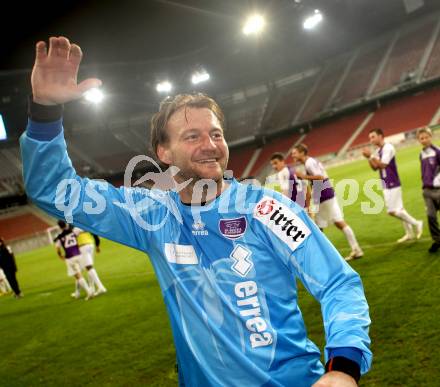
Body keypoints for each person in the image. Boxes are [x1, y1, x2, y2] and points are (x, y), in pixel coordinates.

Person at [20, 36, 372, 386]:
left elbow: (336, 282)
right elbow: (55, 191)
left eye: (216, 134)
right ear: (164, 153)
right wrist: (46, 112)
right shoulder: (150, 216)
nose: (210, 146)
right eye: (192, 136)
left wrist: (343, 366)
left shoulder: (266, 209)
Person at [290, 144, 364, 261]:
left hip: (323, 194)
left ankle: (322, 257)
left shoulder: (309, 163)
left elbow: (320, 177)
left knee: (318, 228)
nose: (292, 155)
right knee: (339, 222)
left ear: (302, 152)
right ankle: (356, 249)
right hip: (327, 192)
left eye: (294, 153)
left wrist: (303, 176)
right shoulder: (310, 162)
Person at [362, 128, 423, 243]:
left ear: (380, 136)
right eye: (370, 138)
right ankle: (409, 233)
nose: (371, 140)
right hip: (385, 182)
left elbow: (383, 165)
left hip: (392, 182)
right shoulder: (377, 151)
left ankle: (417, 223)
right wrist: (369, 158)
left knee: (392, 211)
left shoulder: (388, 148)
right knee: (399, 209)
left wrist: (371, 157)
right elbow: (375, 168)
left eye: (373, 137)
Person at [54, 220, 94, 300]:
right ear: (65, 224)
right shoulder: (74, 231)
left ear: (59, 227)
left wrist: (60, 255)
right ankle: (82, 291)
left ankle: (89, 292)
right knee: (88, 270)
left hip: (70, 258)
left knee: (78, 276)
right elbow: (83, 230)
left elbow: (57, 248)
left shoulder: (59, 236)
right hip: (79, 254)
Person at [416, 127, 440, 253]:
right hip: (427, 191)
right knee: (431, 217)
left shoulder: (437, 151)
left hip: (438, 190)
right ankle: (437, 240)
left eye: (426, 137)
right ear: (419, 140)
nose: (424, 140)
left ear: (431, 137)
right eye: (421, 138)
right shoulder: (421, 154)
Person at [74, 228, 107, 296]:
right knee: (89, 267)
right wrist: (97, 246)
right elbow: (95, 235)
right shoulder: (85, 224)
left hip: (83, 246)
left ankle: (100, 287)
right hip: (91, 245)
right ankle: (92, 288)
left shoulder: (74, 226)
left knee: (89, 267)